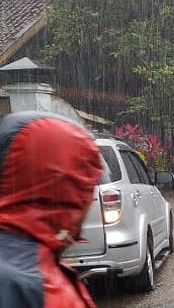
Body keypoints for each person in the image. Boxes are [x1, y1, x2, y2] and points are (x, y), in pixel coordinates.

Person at [0, 111, 104, 308]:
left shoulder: (41, 264)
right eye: (89, 187)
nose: (90, 200)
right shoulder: (21, 282)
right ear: (69, 192)